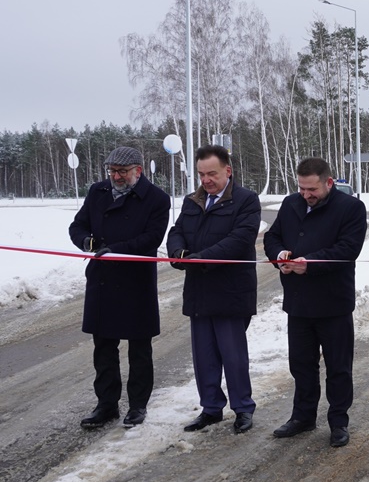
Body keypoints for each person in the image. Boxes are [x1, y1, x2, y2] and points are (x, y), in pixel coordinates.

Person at [264, 157, 366, 448]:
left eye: (312, 189)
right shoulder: (290, 203)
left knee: (338, 367)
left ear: (329, 183)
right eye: (302, 188)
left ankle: (338, 422)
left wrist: (309, 264)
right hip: (298, 301)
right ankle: (303, 416)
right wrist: (280, 256)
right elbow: (271, 237)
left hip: (333, 302)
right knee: (301, 364)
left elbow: (347, 249)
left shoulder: (351, 208)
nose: (306, 195)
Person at [69, 146, 171, 429]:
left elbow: (151, 238)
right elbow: (77, 226)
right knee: (103, 347)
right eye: (112, 171)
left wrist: (115, 250)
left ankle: (138, 405)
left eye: (122, 171)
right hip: (102, 279)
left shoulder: (156, 199)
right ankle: (106, 405)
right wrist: (88, 243)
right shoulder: (97, 192)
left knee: (139, 349)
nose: (116, 176)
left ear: (138, 170)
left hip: (135, 281)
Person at [166, 145, 261, 435]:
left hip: (231, 291)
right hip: (199, 289)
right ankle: (210, 408)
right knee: (204, 355)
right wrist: (177, 252)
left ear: (227, 171)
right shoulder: (192, 201)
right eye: (201, 174)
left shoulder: (246, 201)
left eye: (212, 174)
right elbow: (176, 231)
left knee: (232, 355)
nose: (206, 180)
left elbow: (240, 239)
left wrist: (201, 259)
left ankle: (242, 408)